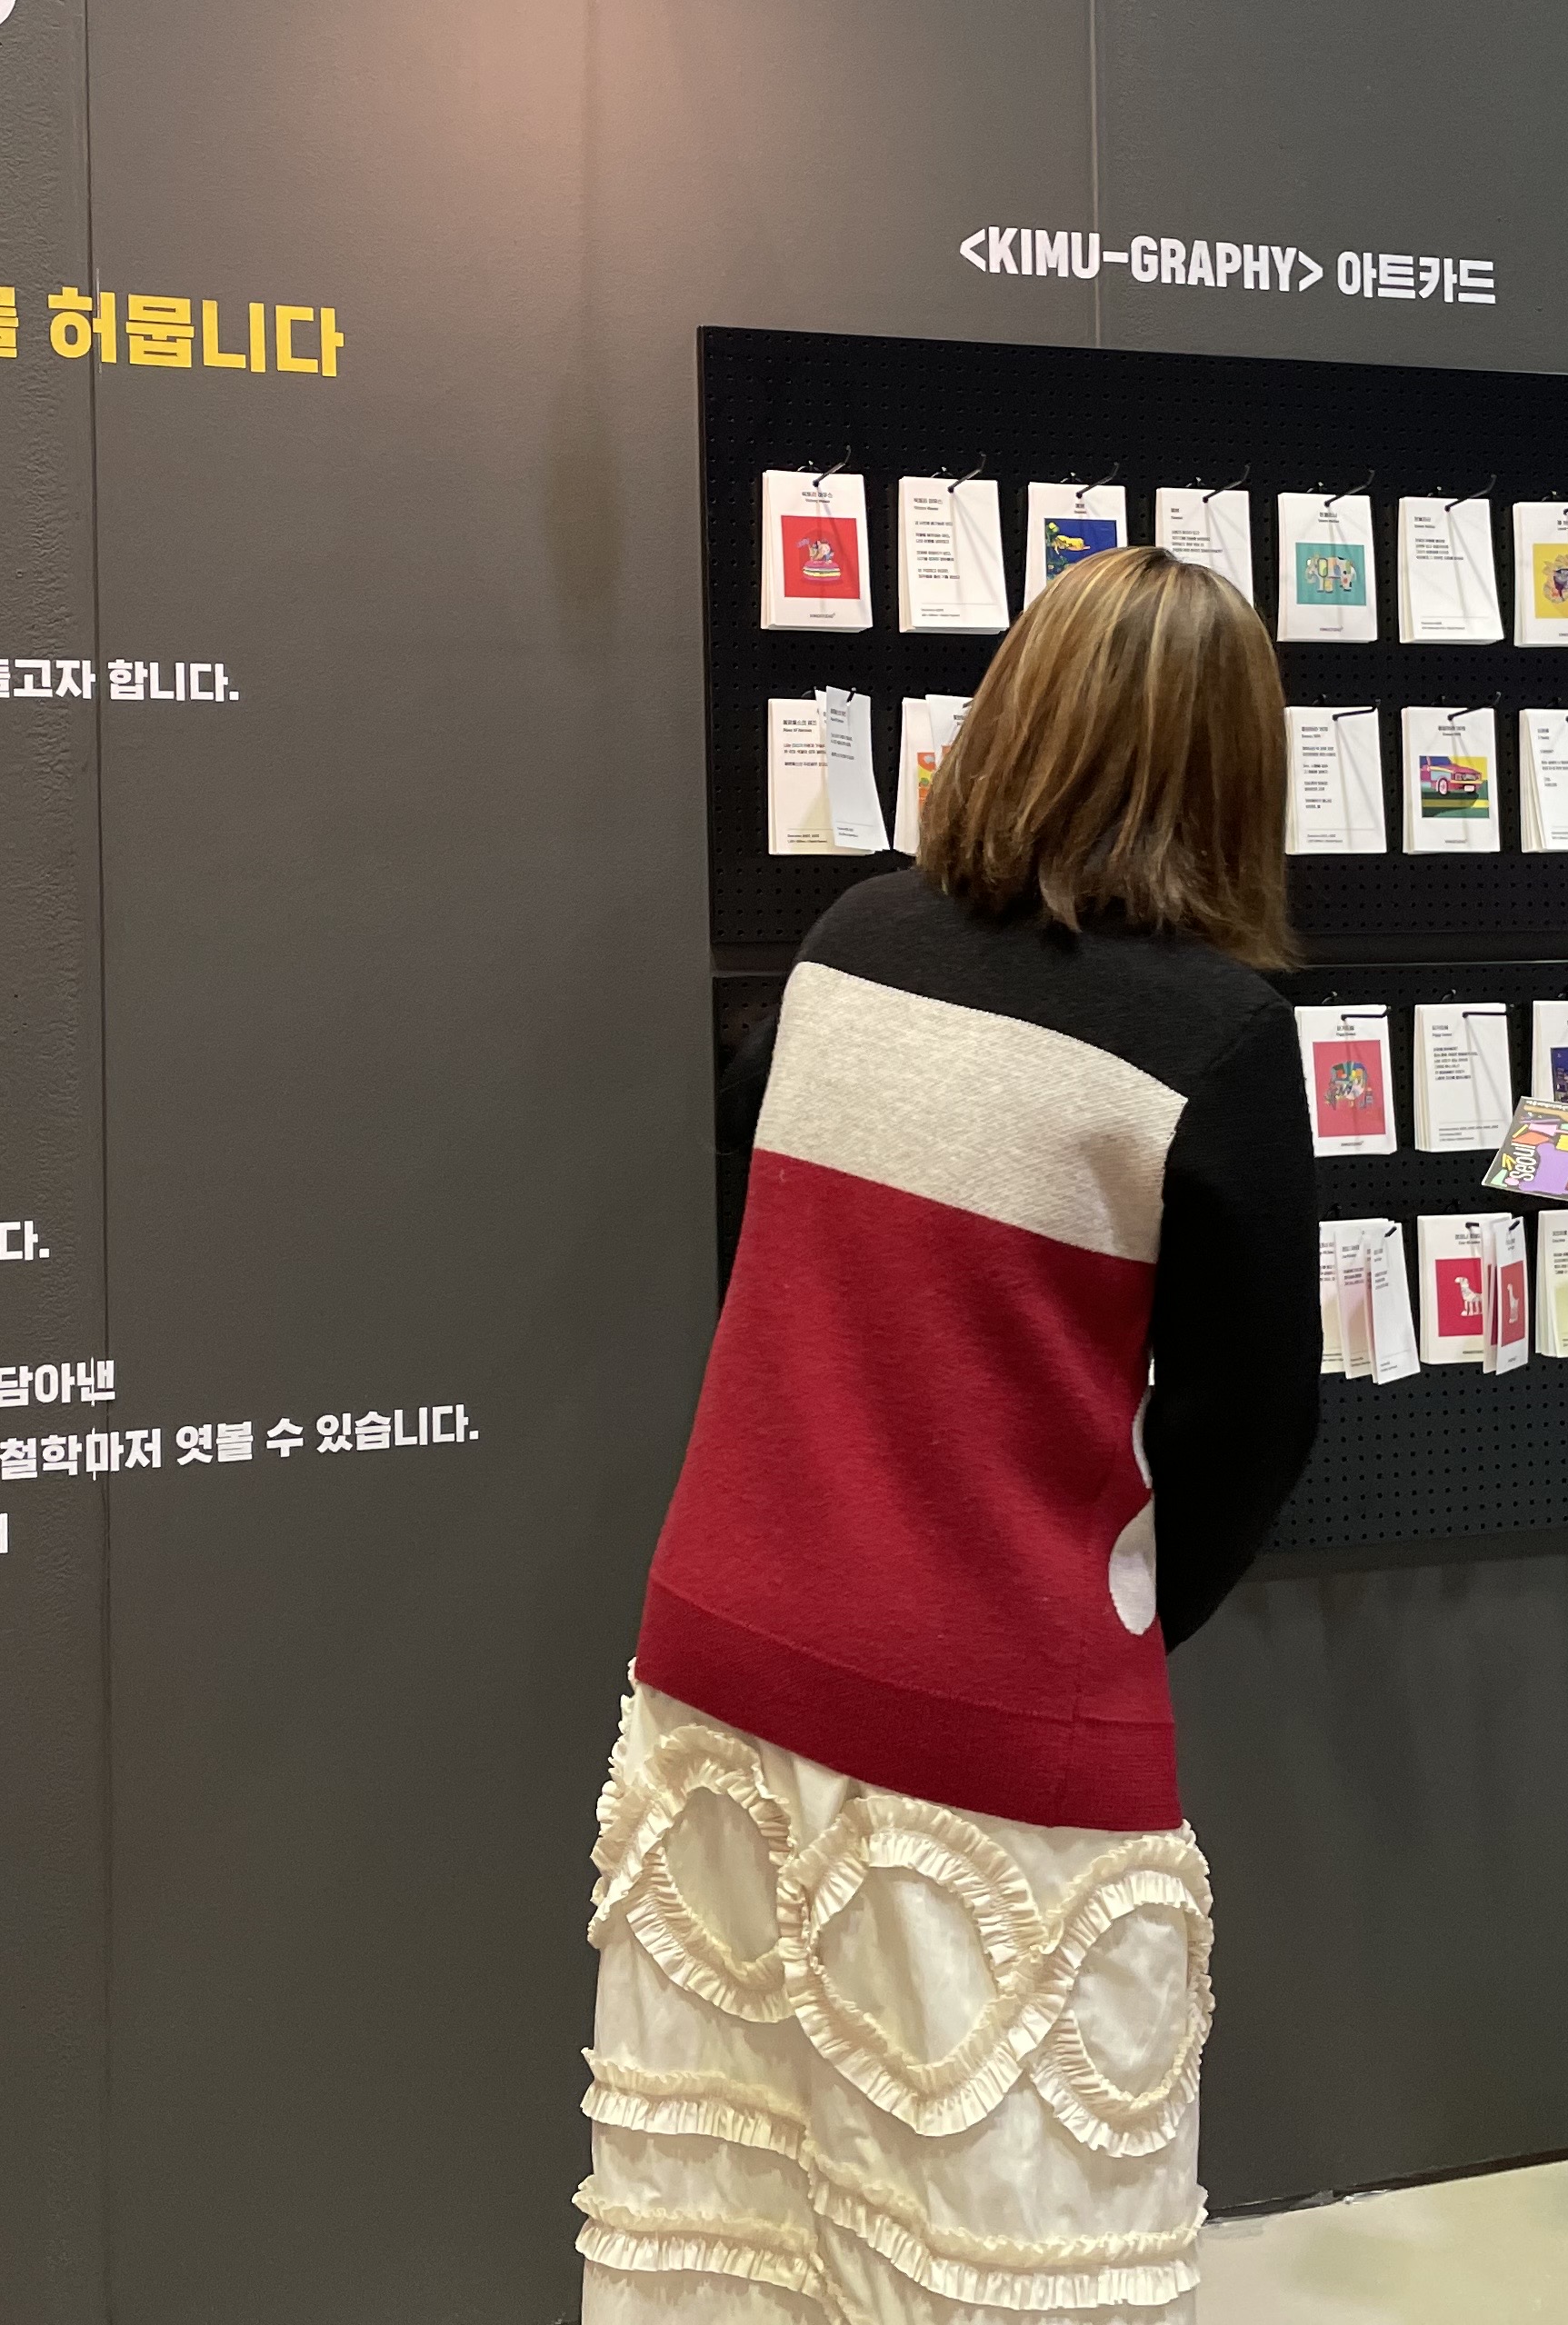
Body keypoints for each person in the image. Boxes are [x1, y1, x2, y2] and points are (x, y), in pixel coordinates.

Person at [575, 543, 1320, 2325]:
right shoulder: (1215, 1036)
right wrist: (1102, 1618)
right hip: (993, 1723)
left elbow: (771, 1264)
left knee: (736, 2218)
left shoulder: (847, 948)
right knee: (1010, 2246)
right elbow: (1256, 1422)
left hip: (724, 1657)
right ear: (1235, 772)